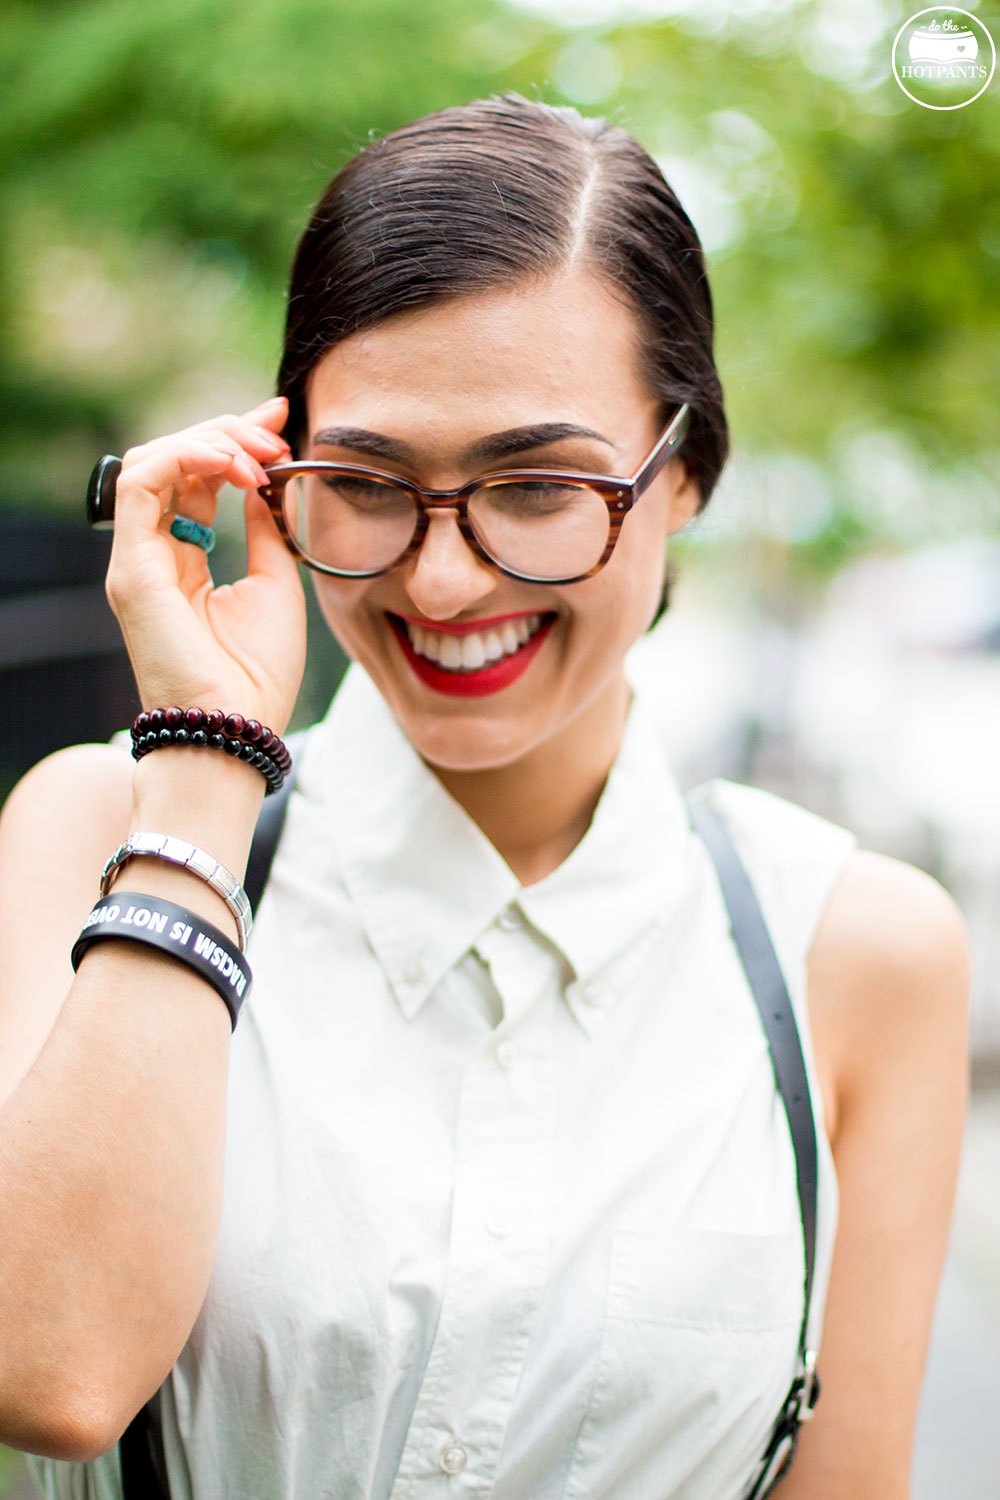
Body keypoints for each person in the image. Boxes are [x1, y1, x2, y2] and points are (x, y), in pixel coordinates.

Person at [0, 95, 968, 1500]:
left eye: (537, 486)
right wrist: (205, 758)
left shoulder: (853, 948)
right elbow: (48, 1373)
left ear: (684, 473)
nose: (443, 580)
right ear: (275, 483)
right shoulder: (105, 831)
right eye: (369, 483)